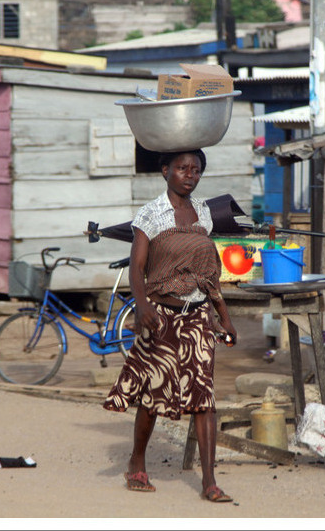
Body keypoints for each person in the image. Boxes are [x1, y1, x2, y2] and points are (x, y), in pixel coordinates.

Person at [103, 149, 237, 503]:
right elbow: (137, 267)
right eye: (181, 168)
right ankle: (136, 460)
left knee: (203, 395)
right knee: (154, 394)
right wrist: (142, 305)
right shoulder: (150, 214)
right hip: (160, 316)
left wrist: (223, 317)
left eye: (195, 170)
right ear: (166, 171)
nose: (189, 175)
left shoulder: (206, 213)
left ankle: (209, 481)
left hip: (197, 316)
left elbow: (209, 274)